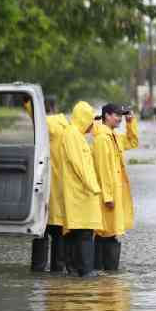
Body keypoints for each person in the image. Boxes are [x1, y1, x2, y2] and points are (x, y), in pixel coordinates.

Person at [91, 103, 138, 271]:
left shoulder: (114, 136)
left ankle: (108, 275)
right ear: (106, 116)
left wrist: (131, 122)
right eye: (117, 115)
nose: (119, 119)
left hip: (115, 194)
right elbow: (102, 170)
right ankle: (102, 272)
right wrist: (108, 196)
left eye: (121, 115)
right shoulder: (102, 139)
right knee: (104, 233)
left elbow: (132, 142)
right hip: (107, 197)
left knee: (110, 232)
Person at [60, 101, 103, 277]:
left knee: (77, 231)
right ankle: (85, 271)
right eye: (90, 120)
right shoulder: (73, 136)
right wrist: (94, 187)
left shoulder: (75, 134)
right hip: (81, 193)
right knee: (85, 231)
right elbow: (80, 166)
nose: (92, 125)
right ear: (83, 119)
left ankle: (74, 270)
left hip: (80, 192)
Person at [30, 98, 70, 273]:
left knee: (41, 230)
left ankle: (38, 268)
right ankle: (57, 268)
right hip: (62, 187)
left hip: (43, 185)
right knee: (59, 232)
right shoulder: (67, 127)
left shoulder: (42, 125)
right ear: (56, 107)